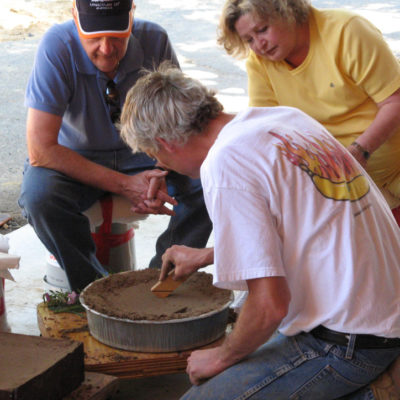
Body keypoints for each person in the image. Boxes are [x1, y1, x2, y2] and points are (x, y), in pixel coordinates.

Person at [120, 63, 400, 399]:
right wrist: (209, 255)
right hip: (381, 314)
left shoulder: (224, 161)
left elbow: (270, 305)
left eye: (156, 156)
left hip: (351, 342)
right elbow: (303, 227)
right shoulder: (283, 119)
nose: (163, 166)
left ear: (165, 143)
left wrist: (221, 357)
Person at [18, 0, 212, 291]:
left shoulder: (155, 39)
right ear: (74, 17)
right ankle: (95, 291)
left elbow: (176, 124)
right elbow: (41, 150)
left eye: (117, 36)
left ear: (132, 14)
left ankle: (162, 282)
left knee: (210, 180)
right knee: (40, 197)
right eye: (94, 37)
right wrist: (126, 185)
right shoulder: (56, 46)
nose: (107, 49)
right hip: (75, 160)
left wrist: (160, 170)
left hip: (147, 154)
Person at [217, 0, 400, 225]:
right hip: (344, 188)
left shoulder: (347, 30)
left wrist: (359, 151)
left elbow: (395, 102)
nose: (259, 45)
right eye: (249, 40)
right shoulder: (259, 63)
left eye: (262, 30)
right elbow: (262, 130)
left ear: (288, 11)